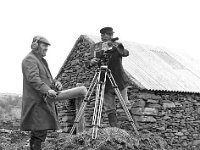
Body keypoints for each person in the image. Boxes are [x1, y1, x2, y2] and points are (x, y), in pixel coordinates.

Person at [20, 35, 62, 150]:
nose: (46, 49)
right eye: (44, 46)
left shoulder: (42, 61)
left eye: (47, 47)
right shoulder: (29, 59)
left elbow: (47, 79)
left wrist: (56, 83)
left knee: (40, 133)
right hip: (36, 104)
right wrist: (48, 90)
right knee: (38, 134)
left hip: (42, 102)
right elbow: (34, 79)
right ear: (35, 46)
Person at [88, 27, 131, 127]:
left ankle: (134, 126)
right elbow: (88, 61)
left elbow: (126, 53)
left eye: (107, 34)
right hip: (105, 81)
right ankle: (114, 129)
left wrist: (115, 47)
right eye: (103, 35)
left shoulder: (116, 45)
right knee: (109, 107)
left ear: (111, 35)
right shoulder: (96, 46)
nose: (104, 36)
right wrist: (91, 62)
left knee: (125, 104)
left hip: (119, 80)